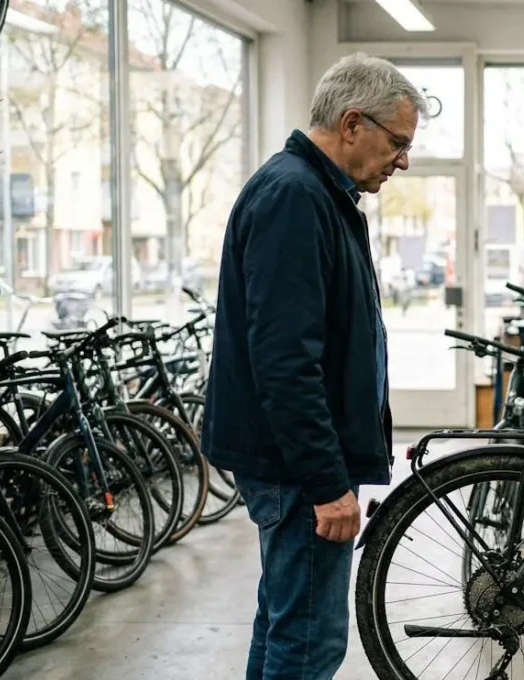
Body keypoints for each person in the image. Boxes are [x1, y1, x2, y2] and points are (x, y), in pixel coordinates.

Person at [201, 54, 426, 680]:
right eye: (398, 143)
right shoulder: (296, 196)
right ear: (353, 124)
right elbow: (285, 360)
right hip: (296, 467)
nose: (402, 160)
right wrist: (328, 483)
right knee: (308, 645)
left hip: (294, 460)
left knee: (285, 625)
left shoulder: (317, 193)